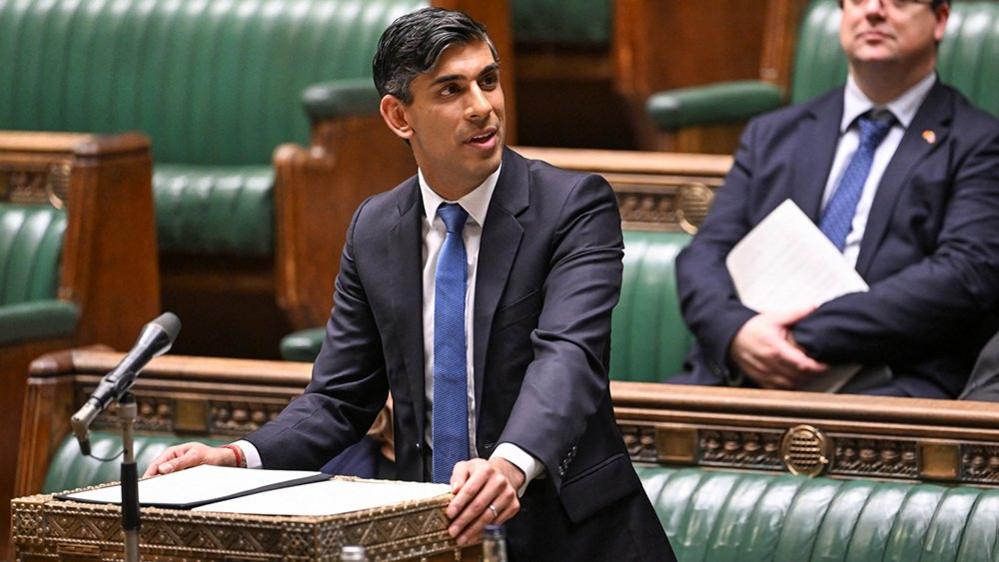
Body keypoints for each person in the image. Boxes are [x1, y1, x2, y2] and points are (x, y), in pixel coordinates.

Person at [144, 8, 675, 561]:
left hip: (573, 536)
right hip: (429, 534)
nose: (482, 107)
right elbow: (338, 399)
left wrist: (509, 465)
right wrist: (236, 457)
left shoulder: (572, 207)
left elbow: (568, 358)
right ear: (400, 116)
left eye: (488, 81)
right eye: (451, 90)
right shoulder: (375, 229)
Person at [671, 0, 999, 398]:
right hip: (741, 373)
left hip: (889, 386)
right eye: (858, 0)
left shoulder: (978, 143)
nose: (874, 11)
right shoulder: (772, 134)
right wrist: (739, 331)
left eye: (897, 0)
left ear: (940, 19)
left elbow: (964, 275)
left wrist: (793, 337)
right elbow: (704, 255)